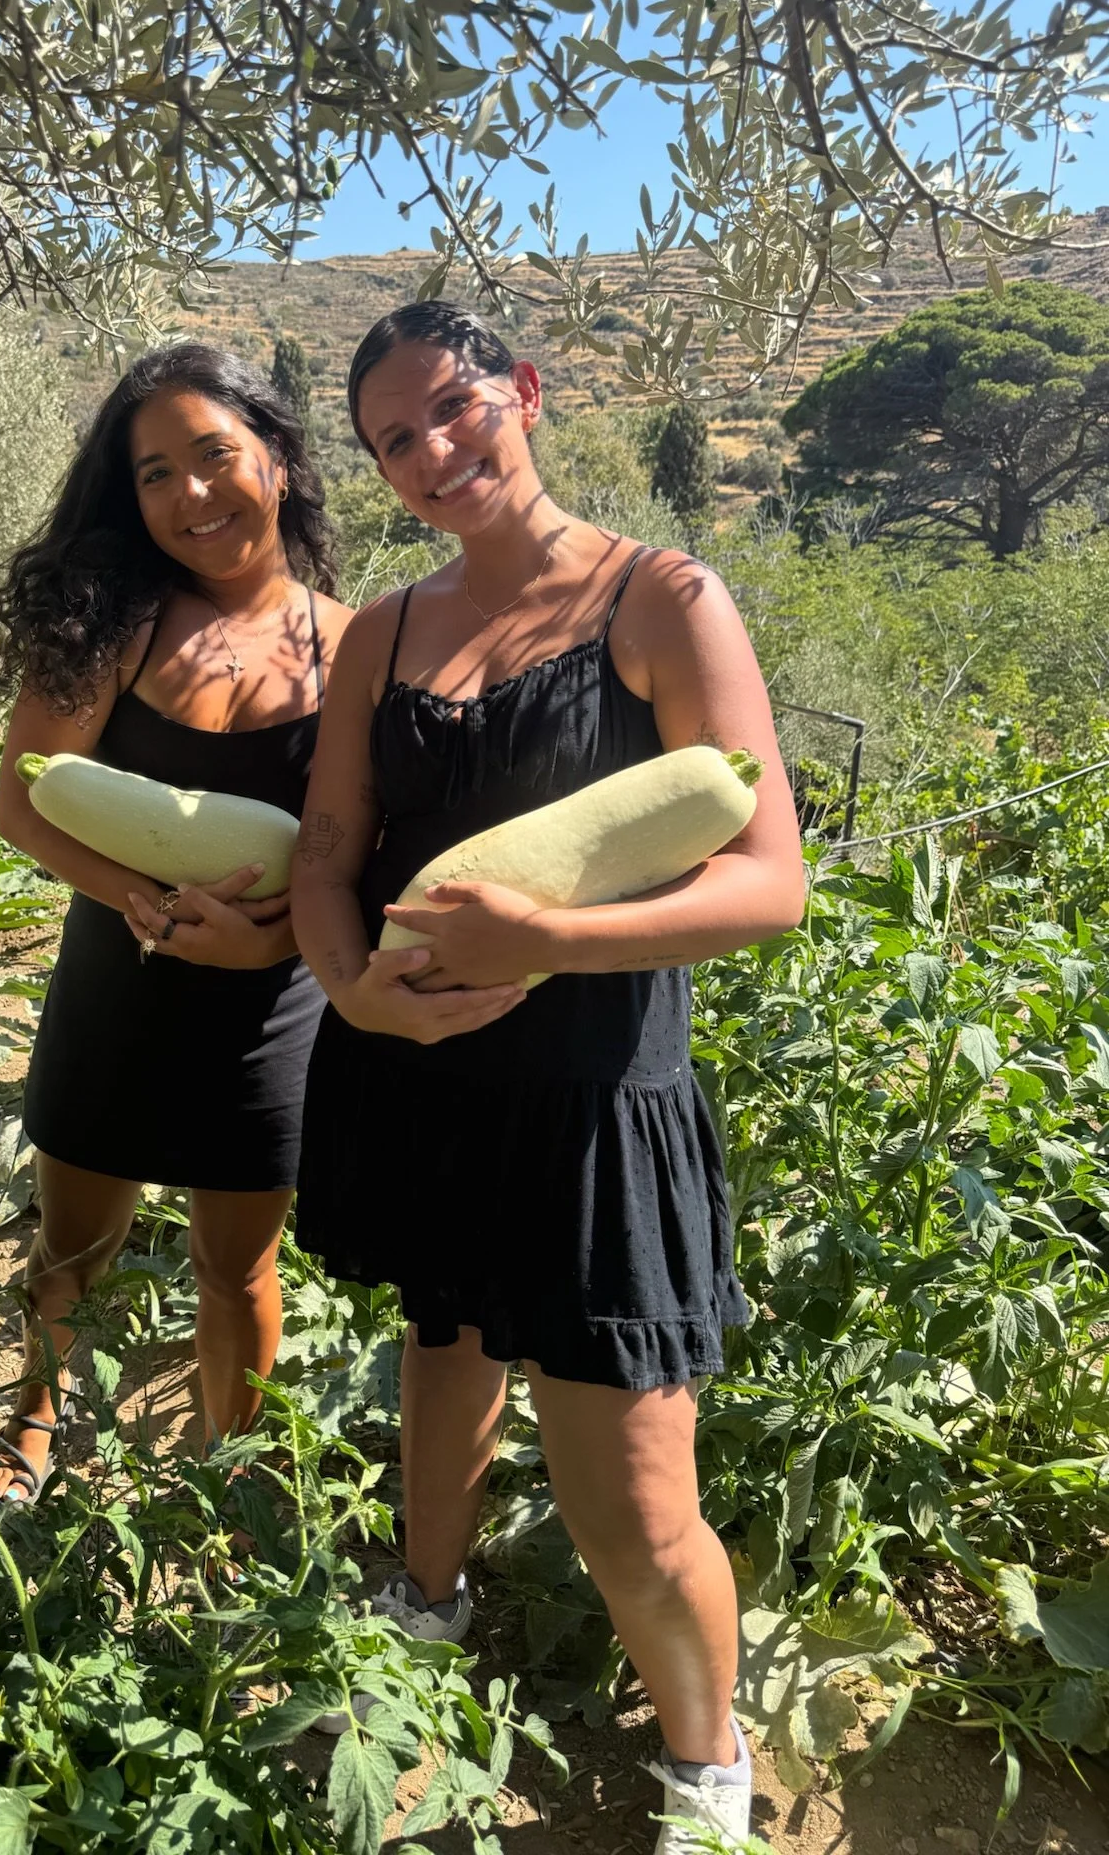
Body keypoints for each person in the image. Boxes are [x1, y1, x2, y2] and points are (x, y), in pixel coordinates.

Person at [290, 303, 805, 1850]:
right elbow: (326, 857)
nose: (434, 451)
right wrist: (351, 995)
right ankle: (423, 1615)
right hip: (427, 1083)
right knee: (442, 1364)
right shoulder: (382, 631)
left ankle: (710, 1775)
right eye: (394, 439)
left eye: (453, 408)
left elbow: (771, 879)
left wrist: (550, 933)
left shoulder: (663, 598)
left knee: (635, 1504)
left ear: (522, 389)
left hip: (598, 1102)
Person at [0, 343, 351, 1503]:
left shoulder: (359, 647)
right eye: (154, 474)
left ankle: (223, 1469)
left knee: (236, 1268)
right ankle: (32, 1421)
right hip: (117, 983)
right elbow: (22, 802)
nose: (191, 494)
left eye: (214, 455)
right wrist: (127, 895)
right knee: (72, 1249)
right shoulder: (115, 624)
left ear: (277, 461)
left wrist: (275, 940)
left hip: (271, 1012)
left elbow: (354, 856)